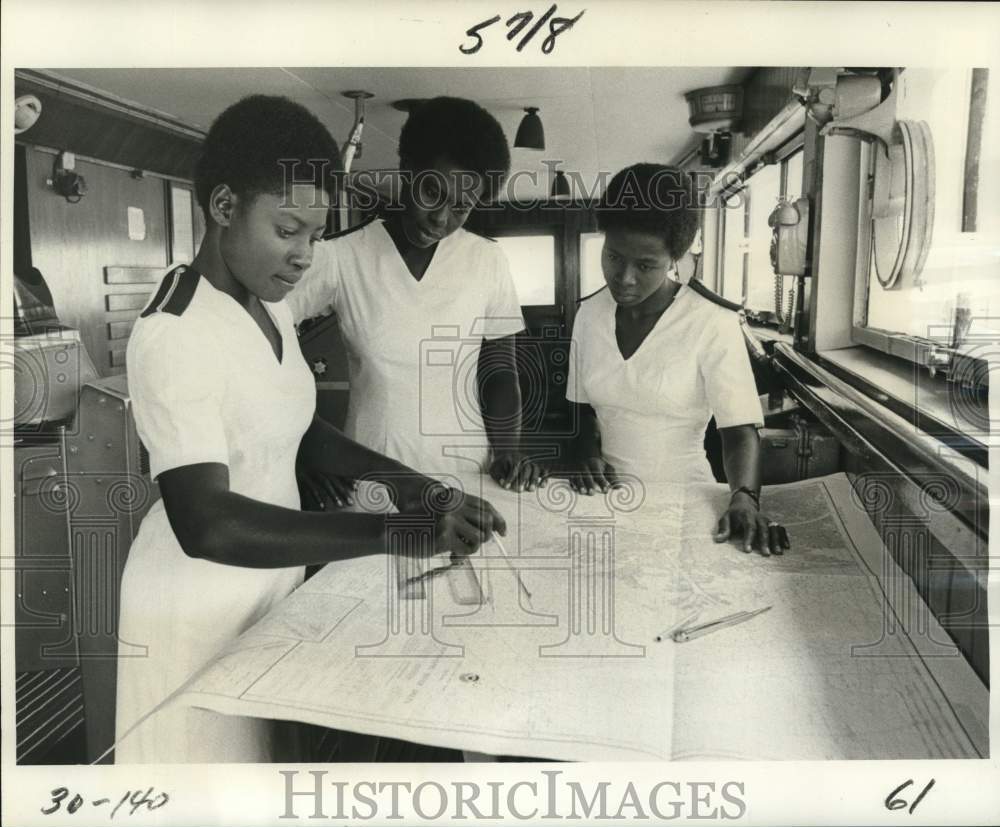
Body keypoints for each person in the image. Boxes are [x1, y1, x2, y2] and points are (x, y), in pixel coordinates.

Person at [115, 95, 505, 764]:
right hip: (196, 604)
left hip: (267, 587)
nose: (303, 256)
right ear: (225, 207)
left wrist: (415, 487)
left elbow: (302, 430)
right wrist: (389, 532)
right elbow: (206, 522)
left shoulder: (261, 305)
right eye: (288, 229)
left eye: (316, 236)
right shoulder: (174, 332)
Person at [287, 96, 548, 500]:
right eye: (432, 191)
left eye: (462, 207)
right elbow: (259, 335)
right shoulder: (342, 257)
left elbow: (500, 373)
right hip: (373, 479)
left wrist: (508, 450)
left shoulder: (487, 260)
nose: (441, 218)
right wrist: (302, 446)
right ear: (407, 170)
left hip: (467, 476)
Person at [565, 163, 789, 556]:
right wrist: (586, 456)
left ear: (675, 257)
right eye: (614, 257)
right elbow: (580, 409)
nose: (625, 278)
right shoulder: (589, 315)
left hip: (687, 505)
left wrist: (744, 499)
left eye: (646, 265)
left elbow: (739, 432)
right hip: (605, 501)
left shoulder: (710, 322)